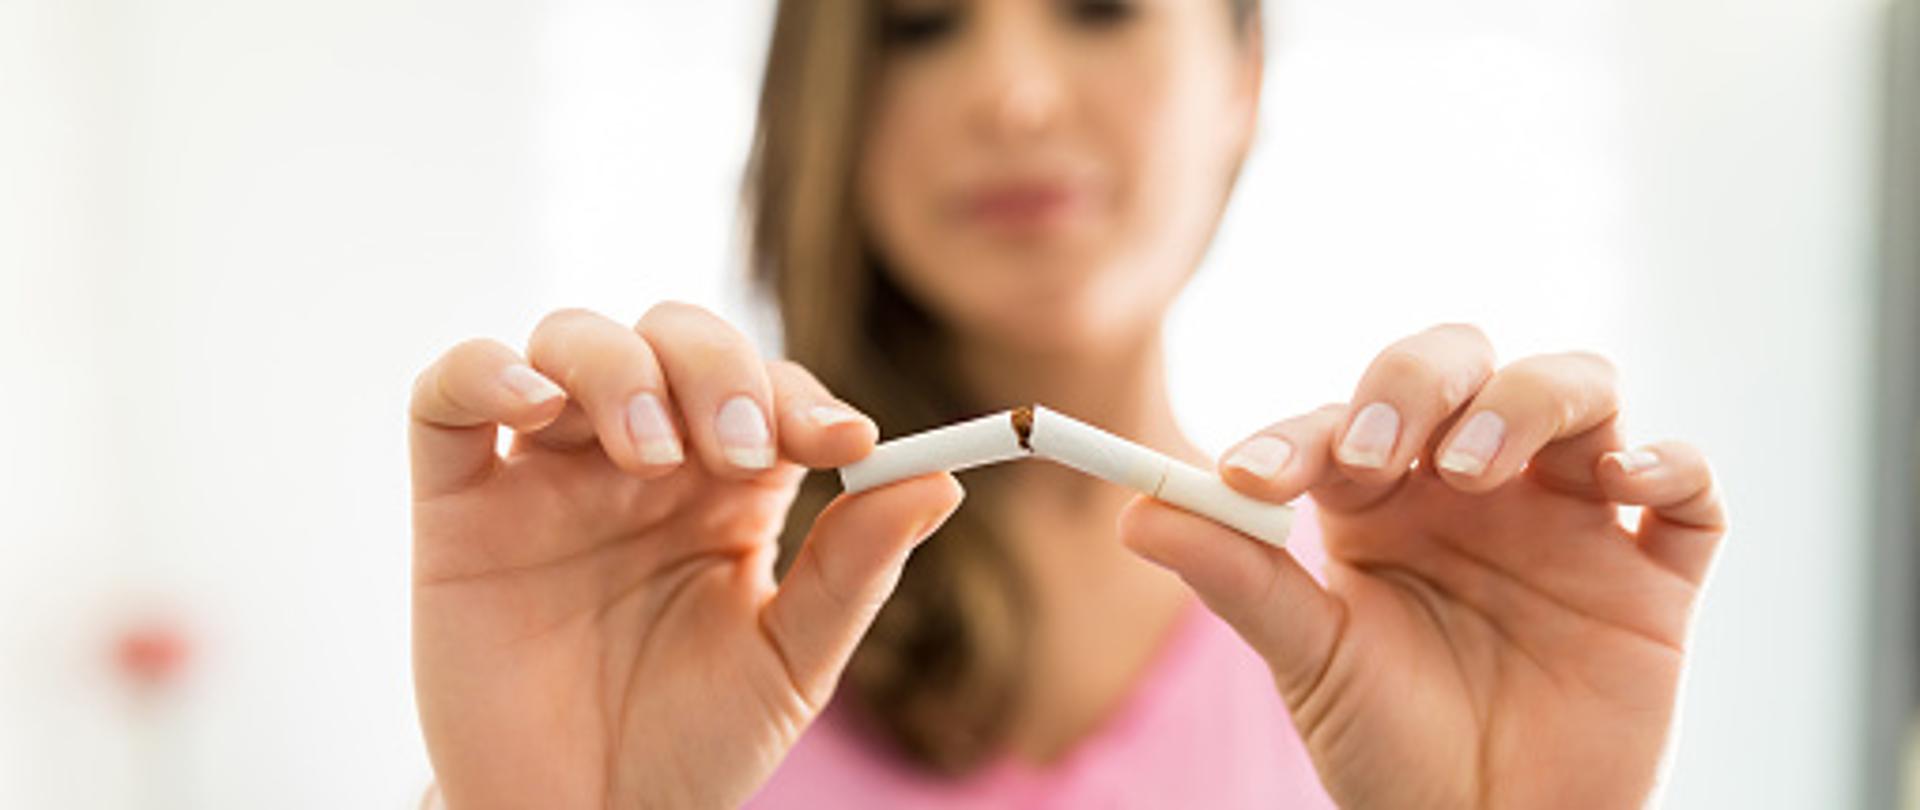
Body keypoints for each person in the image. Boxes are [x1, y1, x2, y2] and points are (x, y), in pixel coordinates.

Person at [405, 0, 1729, 807]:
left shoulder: (1419, 641)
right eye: (922, 22)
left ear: (1241, 74)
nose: (1017, 94)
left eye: (1098, 4)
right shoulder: (676, 619)